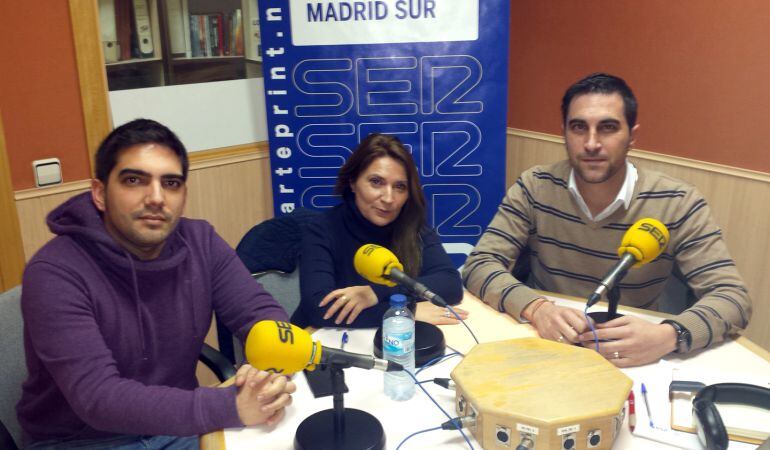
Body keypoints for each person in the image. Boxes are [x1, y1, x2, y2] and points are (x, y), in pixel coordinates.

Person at [17, 119, 296, 449]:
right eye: (134, 180)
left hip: (176, 426)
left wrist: (267, 372)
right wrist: (231, 406)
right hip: (82, 440)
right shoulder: (54, 272)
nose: (156, 197)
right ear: (100, 193)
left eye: (171, 183)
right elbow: (98, 397)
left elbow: (258, 311)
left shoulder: (201, 241)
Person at [462, 73, 752, 368]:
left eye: (608, 128)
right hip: (547, 339)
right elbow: (479, 264)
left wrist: (668, 335)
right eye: (578, 127)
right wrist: (536, 308)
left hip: (632, 352)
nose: (591, 143)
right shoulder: (535, 187)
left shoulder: (678, 202)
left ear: (632, 135)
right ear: (563, 131)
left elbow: (732, 298)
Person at [291, 133, 466, 328]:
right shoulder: (321, 230)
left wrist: (376, 293)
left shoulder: (413, 226)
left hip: (389, 338)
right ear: (353, 182)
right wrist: (406, 312)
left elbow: (450, 284)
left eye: (400, 186)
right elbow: (319, 310)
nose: (389, 198)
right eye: (376, 182)